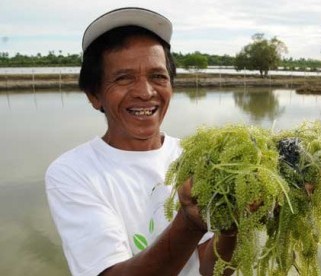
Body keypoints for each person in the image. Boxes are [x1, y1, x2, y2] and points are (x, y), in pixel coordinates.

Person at [45, 7, 236, 276]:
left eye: (158, 76)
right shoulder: (73, 172)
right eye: (123, 78)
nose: (146, 93)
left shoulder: (195, 157)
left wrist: (231, 229)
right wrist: (190, 222)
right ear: (94, 94)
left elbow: (213, 270)